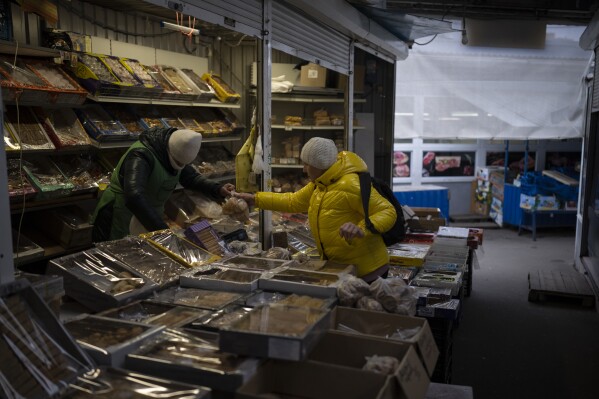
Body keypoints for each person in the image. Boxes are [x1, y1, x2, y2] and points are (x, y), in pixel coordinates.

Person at [234, 137, 396, 282]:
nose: (304, 169)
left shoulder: (351, 185)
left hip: (368, 272)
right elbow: (293, 201)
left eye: (307, 164)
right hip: (344, 268)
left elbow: (388, 211)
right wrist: (255, 198)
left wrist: (362, 227)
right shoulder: (321, 184)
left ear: (320, 165)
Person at [92, 127, 234, 241]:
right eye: (178, 162)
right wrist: (163, 230)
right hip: (119, 214)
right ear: (170, 151)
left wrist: (218, 189)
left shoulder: (176, 152)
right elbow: (134, 196)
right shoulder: (141, 156)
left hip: (148, 217)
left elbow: (190, 178)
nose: (179, 166)